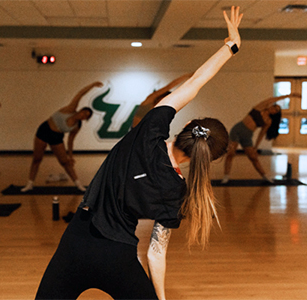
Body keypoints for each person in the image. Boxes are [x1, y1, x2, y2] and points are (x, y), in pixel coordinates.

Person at [34, 6, 242, 300]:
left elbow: (194, 83)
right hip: (117, 258)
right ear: (207, 160)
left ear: (186, 125)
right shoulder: (177, 190)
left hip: (75, 242)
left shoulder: (148, 132)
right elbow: (156, 254)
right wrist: (160, 297)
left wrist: (231, 46)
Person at [21, 81, 104, 193]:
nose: (83, 115)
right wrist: (92, 85)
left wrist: (70, 156)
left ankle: (78, 185)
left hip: (56, 136)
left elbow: (70, 141)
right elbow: (80, 94)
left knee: (65, 162)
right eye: (84, 113)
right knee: (37, 158)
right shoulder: (70, 109)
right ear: (80, 110)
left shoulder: (76, 126)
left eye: (86, 116)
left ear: (85, 119)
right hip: (44, 130)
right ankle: (29, 184)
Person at [221, 92, 301, 184]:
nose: (274, 110)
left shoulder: (268, 121)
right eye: (275, 107)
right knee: (231, 153)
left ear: (276, 114)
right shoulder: (260, 107)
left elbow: (261, 134)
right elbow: (273, 99)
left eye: (277, 110)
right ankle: (226, 176)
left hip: (247, 135)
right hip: (237, 129)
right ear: (271, 106)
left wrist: (256, 147)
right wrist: (290, 95)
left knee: (253, 157)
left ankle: (265, 176)